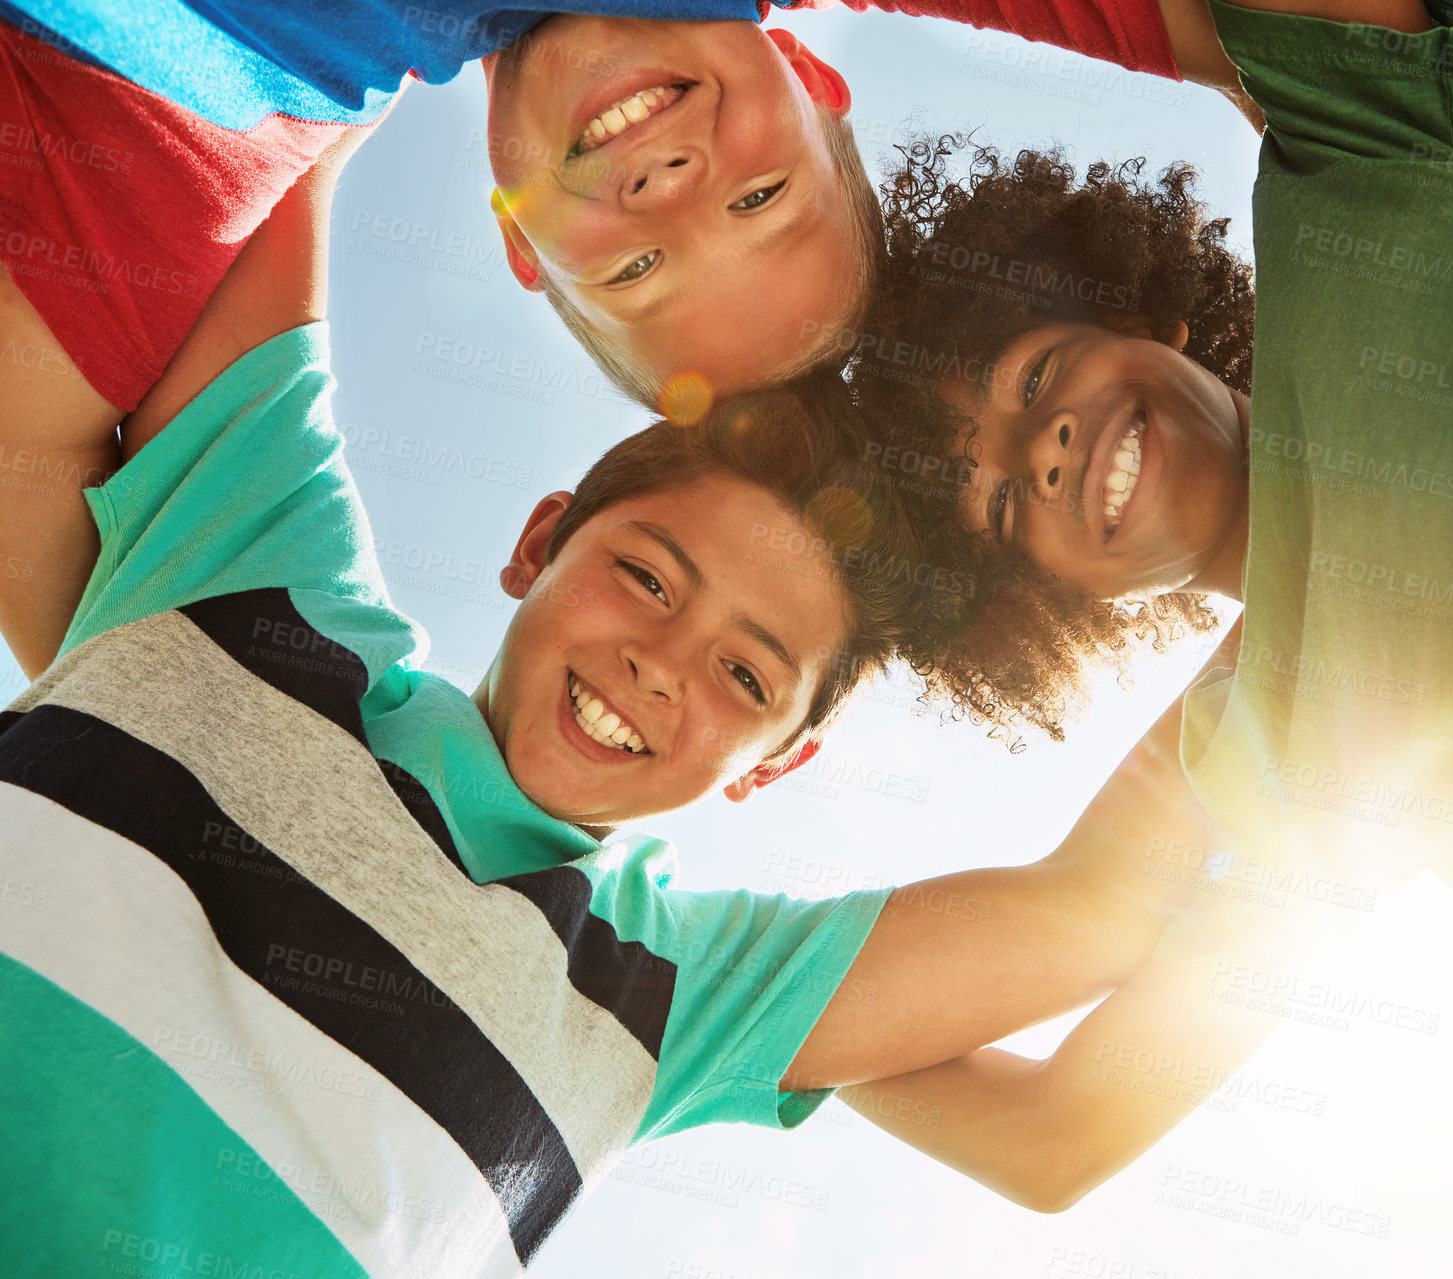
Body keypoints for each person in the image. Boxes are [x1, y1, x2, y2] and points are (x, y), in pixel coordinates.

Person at [0, 129, 1226, 1276]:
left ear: (777, 763)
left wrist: (1311, 567)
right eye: (644, 576)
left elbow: (1102, 913)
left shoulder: (666, 992)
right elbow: (266, 120)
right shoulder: (259, 578)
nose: (659, 663)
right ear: (539, 543)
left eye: (747, 675)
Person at [841, 0, 1453, 1195]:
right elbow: (1052, 1136)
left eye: (1035, 379)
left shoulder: (1359, 180)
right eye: (1009, 507)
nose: (1047, 452)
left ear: (1138, 318)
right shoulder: (1254, 763)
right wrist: (678, 993)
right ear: (1056, 598)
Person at [0, 0, 1257, 680]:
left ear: (522, 245)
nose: (672, 186)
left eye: (639, 268)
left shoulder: (182, 126)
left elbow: (106, 631)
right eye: (764, 201)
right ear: (810, 75)